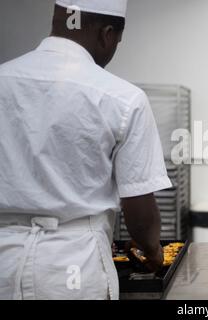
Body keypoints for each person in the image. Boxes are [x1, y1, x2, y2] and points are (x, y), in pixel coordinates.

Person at [0, 0, 172, 300]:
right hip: (74, 268)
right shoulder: (123, 99)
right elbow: (140, 212)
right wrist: (153, 252)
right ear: (107, 34)